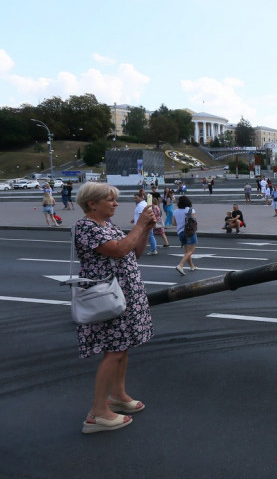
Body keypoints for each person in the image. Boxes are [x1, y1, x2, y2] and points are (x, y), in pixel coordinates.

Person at [73, 181, 155, 433]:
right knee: (114, 350)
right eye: (110, 199)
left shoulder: (107, 225)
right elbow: (118, 251)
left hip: (125, 294)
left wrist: (145, 231)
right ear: (92, 204)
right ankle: (97, 413)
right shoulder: (85, 227)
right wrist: (139, 224)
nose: (115, 203)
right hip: (107, 297)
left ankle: (117, 395)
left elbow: (132, 253)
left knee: (123, 346)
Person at [173, 195, 198, 275]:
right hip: (190, 232)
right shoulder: (191, 210)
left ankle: (192, 266)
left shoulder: (175, 211)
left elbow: (173, 223)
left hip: (180, 233)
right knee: (191, 251)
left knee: (187, 251)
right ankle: (180, 265)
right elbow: (194, 222)